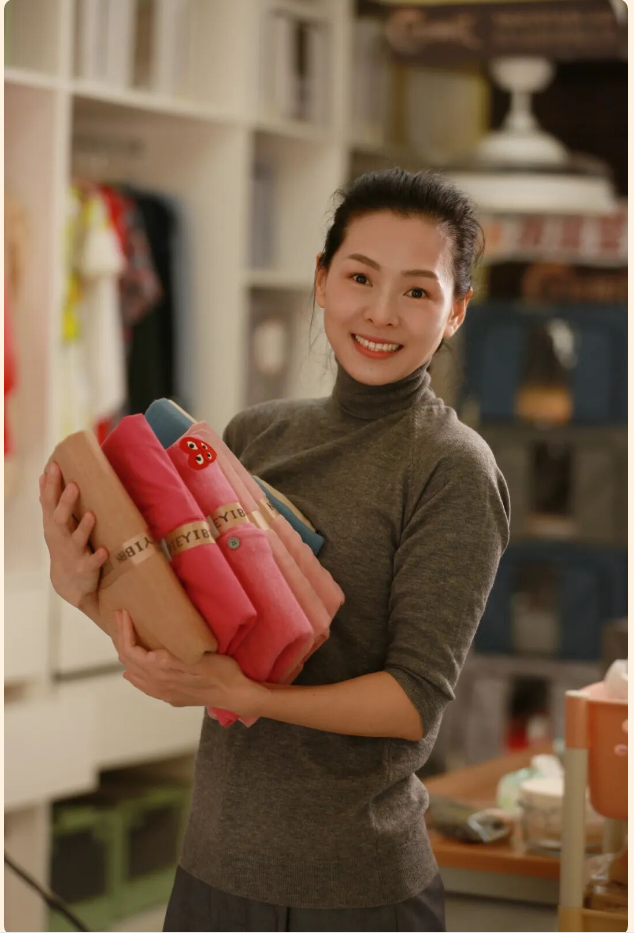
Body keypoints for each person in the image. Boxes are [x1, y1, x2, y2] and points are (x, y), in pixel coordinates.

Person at [40, 169, 510, 932]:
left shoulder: (451, 469)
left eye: (418, 291)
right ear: (322, 280)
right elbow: (196, 646)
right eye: (360, 277)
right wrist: (83, 588)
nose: (381, 312)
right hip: (210, 875)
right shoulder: (253, 435)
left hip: (353, 893)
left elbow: (412, 701)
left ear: (455, 311)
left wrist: (253, 698)